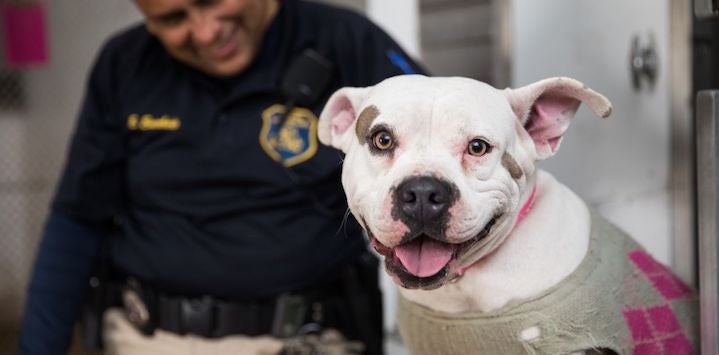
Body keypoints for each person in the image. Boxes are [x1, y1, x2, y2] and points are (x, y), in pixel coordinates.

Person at [17, 0, 425, 354]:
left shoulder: (346, 39)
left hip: (308, 338)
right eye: (173, 19)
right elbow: (77, 221)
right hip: (149, 341)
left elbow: (438, 153)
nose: (206, 32)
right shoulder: (124, 65)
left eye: (212, 2)